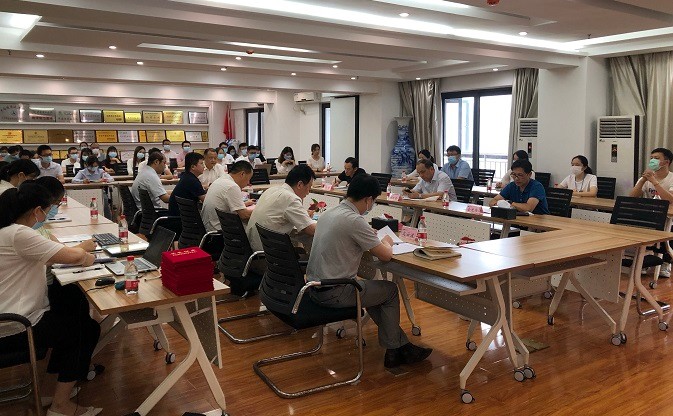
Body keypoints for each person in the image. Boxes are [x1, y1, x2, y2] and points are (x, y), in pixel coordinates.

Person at [306, 174, 433, 368]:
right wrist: (387, 241)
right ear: (368, 199)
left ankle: (401, 346)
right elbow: (385, 255)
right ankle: (394, 350)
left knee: (374, 291)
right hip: (336, 291)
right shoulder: (354, 220)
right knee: (390, 291)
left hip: (314, 288)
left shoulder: (330, 213)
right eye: (373, 201)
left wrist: (368, 236)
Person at [0, 181, 101, 416]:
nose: (48, 214)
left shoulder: (8, 232)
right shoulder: (20, 234)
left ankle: (49, 392)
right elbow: (75, 256)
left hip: (13, 317)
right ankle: (61, 406)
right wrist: (85, 255)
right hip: (15, 325)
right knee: (85, 330)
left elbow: (51, 256)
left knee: (71, 313)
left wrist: (76, 253)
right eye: (48, 209)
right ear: (37, 211)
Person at [246, 164, 317, 253]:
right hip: (268, 253)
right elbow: (311, 230)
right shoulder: (290, 198)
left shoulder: (272, 190)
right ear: (300, 185)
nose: (308, 193)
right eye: (309, 188)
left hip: (254, 247)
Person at [201, 160, 256, 232]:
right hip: (219, 232)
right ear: (242, 174)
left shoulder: (221, 180)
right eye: (248, 179)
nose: (248, 183)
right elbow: (244, 215)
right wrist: (260, 210)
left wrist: (245, 204)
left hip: (210, 227)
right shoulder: (232, 186)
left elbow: (225, 205)